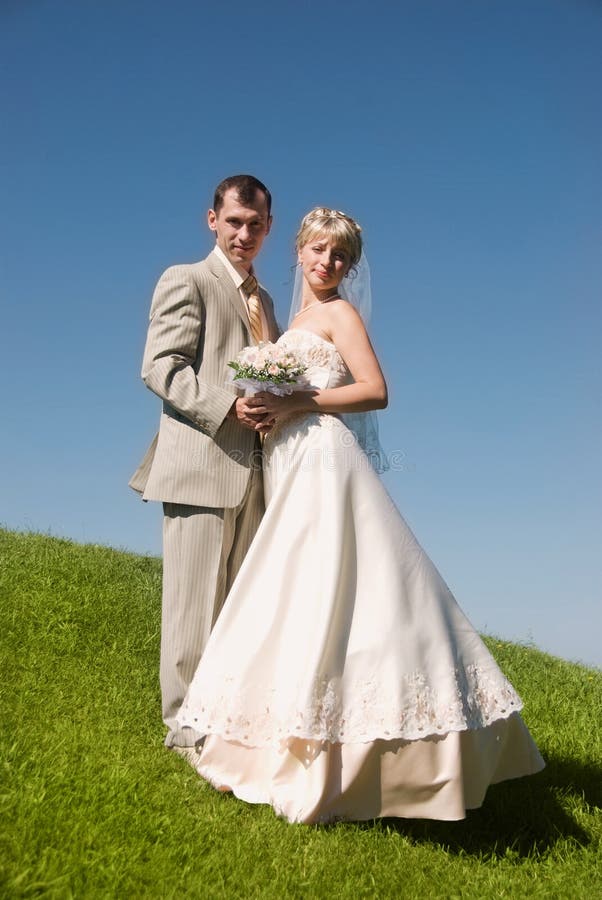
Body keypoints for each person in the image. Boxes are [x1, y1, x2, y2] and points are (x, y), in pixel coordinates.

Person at [175, 207, 544, 823]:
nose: (327, 264)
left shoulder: (340, 313)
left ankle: (351, 761)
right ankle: (262, 748)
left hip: (324, 461)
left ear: (351, 265)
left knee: (334, 592)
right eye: (319, 251)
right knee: (290, 595)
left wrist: (295, 401)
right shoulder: (294, 318)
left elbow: (375, 390)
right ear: (298, 251)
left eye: (340, 256)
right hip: (289, 463)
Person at [129, 175, 280, 751]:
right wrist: (230, 405)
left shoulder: (265, 302)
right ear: (212, 220)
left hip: (259, 475)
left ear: (268, 228)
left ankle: (227, 721)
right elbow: (160, 367)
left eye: (256, 224)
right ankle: (185, 731)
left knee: (240, 607)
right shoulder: (186, 279)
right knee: (192, 607)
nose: (245, 233)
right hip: (199, 465)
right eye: (235, 221)